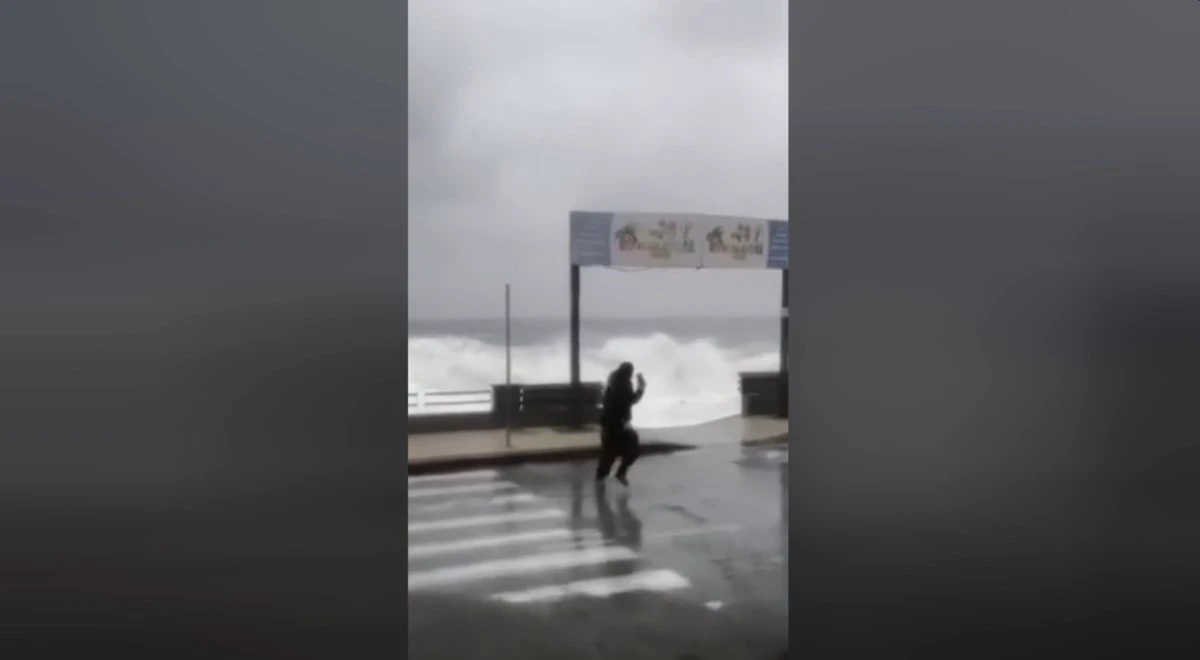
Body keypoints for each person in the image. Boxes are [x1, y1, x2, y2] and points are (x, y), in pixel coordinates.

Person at [596, 362, 645, 486]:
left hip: (611, 424)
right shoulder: (621, 384)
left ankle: (602, 479)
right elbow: (631, 400)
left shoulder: (615, 381)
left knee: (610, 454)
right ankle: (616, 474)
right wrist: (641, 387)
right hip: (616, 424)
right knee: (629, 450)